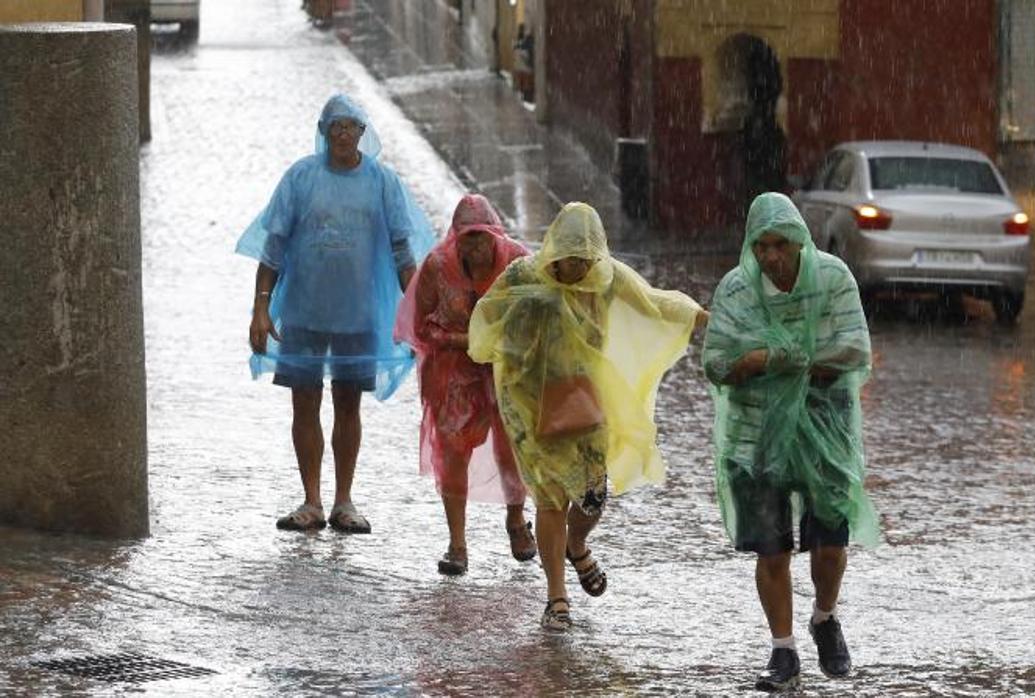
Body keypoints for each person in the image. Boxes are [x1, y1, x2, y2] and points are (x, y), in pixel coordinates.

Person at [467, 202, 707, 631]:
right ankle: (556, 598)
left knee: (593, 496)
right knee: (550, 498)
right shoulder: (525, 275)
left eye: (582, 259)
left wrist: (703, 318)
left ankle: (576, 543)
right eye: (565, 258)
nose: (573, 268)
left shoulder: (608, 277)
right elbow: (488, 313)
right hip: (530, 403)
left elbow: (654, 303)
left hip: (586, 403)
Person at [702, 193, 880, 691]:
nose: (771, 256)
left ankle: (825, 618)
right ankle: (783, 651)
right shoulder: (736, 291)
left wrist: (785, 358)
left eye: (780, 244)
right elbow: (716, 362)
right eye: (762, 245)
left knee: (828, 545)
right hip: (755, 435)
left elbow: (853, 349)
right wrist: (756, 362)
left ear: (800, 241)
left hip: (826, 429)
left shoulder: (835, 279)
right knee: (772, 549)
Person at [237, 94, 435, 533]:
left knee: (348, 403)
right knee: (304, 401)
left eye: (351, 127)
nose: (343, 134)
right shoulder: (300, 178)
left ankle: (344, 499)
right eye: (335, 127)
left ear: (363, 133)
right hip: (304, 312)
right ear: (324, 132)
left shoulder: (383, 182)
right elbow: (274, 247)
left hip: (359, 315)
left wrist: (419, 312)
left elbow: (403, 252)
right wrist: (260, 307)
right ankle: (311, 499)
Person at [394, 194, 535, 575]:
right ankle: (457, 543)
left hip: (507, 370)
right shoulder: (438, 267)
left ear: (495, 234)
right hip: (453, 373)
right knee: (453, 453)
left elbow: (535, 318)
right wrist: (463, 342)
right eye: (467, 237)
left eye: (482, 236)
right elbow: (422, 324)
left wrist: (498, 345)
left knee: (514, 449)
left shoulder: (519, 264)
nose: (475, 245)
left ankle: (517, 520)